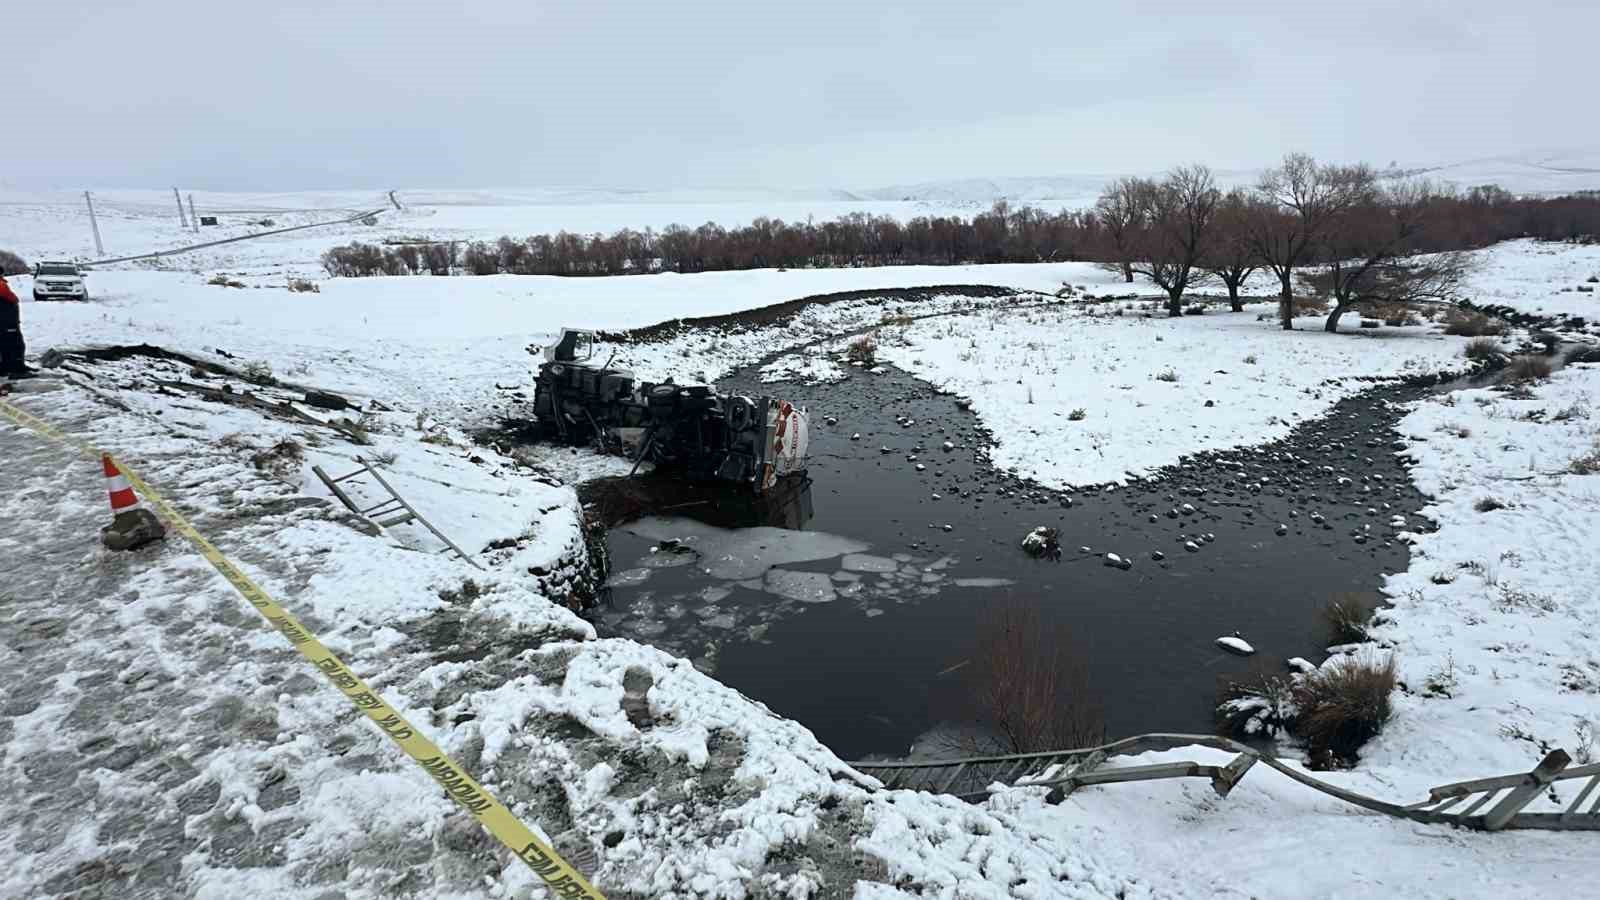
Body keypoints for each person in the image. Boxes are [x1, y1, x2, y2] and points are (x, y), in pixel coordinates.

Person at [0, 273, 34, 378]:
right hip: (7, 322)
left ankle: (6, 368)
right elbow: (12, 299)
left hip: (4, 322)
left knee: (4, 346)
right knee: (16, 346)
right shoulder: (1, 285)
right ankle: (17, 369)